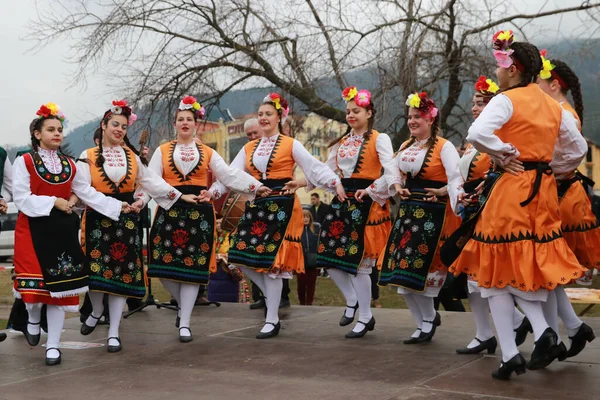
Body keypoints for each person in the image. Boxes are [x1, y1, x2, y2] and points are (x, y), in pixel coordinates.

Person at [449, 30, 587, 380]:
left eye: (500, 66)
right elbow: (578, 150)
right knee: (525, 264)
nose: (497, 72)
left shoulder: (506, 99)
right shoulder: (553, 105)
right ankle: (519, 347)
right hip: (542, 193)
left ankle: (537, 336)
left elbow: (477, 134)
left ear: (513, 69)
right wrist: (550, 168)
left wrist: (507, 154)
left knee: (498, 266)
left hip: (512, 191)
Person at [216, 93, 344, 339]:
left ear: (279, 117)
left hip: (282, 206)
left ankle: (272, 318)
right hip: (257, 204)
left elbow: (314, 167)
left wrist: (334, 182)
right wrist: (212, 192)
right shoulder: (248, 147)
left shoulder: (290, 144)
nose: (263, 118)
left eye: (268, 114)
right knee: (238, 256)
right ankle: (269, 297)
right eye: (261, 114)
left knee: (272, 266)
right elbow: (230, 174)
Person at [77, 100, 197, 353]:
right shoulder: (86, 156)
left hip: (127, 219)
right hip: (99, 218)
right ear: (104, 126)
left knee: (123, 274)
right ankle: (97, 310)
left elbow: (151, 182)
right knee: (95, 272)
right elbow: (82, 189)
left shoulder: (130, 156)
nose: (119, 130)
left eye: (123, 126)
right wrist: (111, 205)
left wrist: (171, 196)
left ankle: (114, 332)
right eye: (115, 125)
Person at [144, 96, 265, 342]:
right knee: (162, 269)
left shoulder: (207, 152)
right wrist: (167, 197)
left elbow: (229, 174)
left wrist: (256, 186)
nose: (185, 123)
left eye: (189, 119)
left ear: (196, 124)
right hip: (170, 210)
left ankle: (185, 322)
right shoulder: (162, 150)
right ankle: (182, 306)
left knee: (193, 269)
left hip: (200, 213)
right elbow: (150, 180)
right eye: (181, 119)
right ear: (175, 124)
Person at [13, 102, 126, 365]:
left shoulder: (70, 165)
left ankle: (52, 345)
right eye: (51, 129)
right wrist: (53, 202)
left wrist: (118, 206)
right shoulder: (25, 161)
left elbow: (87, 193)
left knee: (59, 292)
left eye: (60, 130)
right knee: (34, 292)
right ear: (37, 134)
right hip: (31, 228)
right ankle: (31, 317)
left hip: (62, 231)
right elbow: (21, 197)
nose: (57, 134)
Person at [290, 86, 400, 338]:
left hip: (367, 202)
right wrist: (301, 183)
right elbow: (324, 170)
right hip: (342, 202)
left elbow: (390, 166)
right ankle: (352, 301)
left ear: (369, 113)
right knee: (328, 257)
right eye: (348, 111)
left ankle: (365, 316)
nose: (351, 115)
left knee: (360, 265)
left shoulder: (379, 139)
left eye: (356, 111)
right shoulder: (341, 142)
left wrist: (392, 186)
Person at [372, 92, 462, 345]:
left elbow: (457, 178)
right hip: (409, 215)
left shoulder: (445, 147)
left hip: (434, 217)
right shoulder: (405, 146)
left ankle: (427, 320)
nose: (411, 121)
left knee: (423, 276)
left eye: (418, 117)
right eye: (410, 117)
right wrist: (393, 185)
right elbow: (392, 172)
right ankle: (426, 320)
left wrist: (444, 191)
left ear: (431, 119)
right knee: (401, 275)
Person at [454, 77, 529, 355]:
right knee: (472, 279)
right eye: (474, 103)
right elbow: (460, 175)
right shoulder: (477, 140)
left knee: (485, 277)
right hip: (473, 208)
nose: (474, 108)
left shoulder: (499, 139)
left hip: (490, 211)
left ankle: (517, 324)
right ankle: (486, 332)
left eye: (481, 103)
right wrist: (458, 191)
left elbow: (498, 172)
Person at [537, 51, 596, 358]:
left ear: (554, 85)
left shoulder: (563, 114)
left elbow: (570, 154)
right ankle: (570, 329)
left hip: (562, 199)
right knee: (548, 272)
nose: (535, 86)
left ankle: (555, 337)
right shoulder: (557, 111)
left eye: (539, 81)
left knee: (547, 271)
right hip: (556, 195)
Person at [297, 209, 318, 305]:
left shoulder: (315, 229)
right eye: (303, 217)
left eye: (307, 217)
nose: (305, 219)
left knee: (311, 283)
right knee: (301, 283)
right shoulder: (297, 230)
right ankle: (302, 302)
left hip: (313, 260)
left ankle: (309, 302)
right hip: (301, 261)